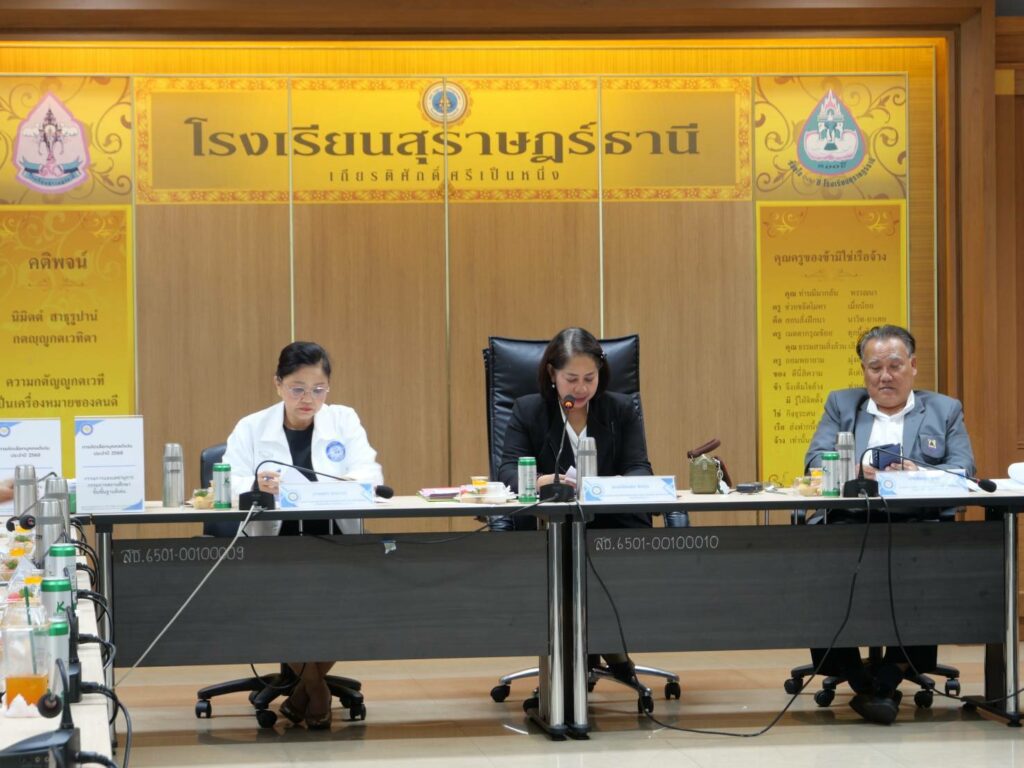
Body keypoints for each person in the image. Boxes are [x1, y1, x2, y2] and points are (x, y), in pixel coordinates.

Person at [804, 324, 976, 725]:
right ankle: (856, 675)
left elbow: (964, 468)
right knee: (816, 557)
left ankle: (888, 676)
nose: (885, 376)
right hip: (852, 518)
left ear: (912, 366)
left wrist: (917, 472)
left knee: (927, 564)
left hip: (917, 520)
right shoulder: (842, 405)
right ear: (863, 371)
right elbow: (814, 461)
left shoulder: (943, 409)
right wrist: (858, 470)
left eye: (895, 366)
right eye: (875, 367)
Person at [222, 341, 382, 729]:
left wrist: (345, 482)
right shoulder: (251, 427)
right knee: (276, 605)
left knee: (351, 603)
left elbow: (370, 473)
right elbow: (227, 482)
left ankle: (302, 693)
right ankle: (316, 688)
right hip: (274, 546)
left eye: (318, 389)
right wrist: (255, 485)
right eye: (297, 388)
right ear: (278, 384)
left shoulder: (343, 420)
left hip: (336, 541)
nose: (308, 399)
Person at [497, 326, 653, 683]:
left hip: (610, 528)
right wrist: (539, 480)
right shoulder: (528, 410)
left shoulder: (619, 410)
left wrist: (609, 487)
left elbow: (639, 468)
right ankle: (602, 654)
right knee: (565, 564)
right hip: (550, 530)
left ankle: (595, 651)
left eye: (589, 378)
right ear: (552, 374)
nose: (581, 389)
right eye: (571, 379)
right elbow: (506, 471)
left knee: (605, 560)